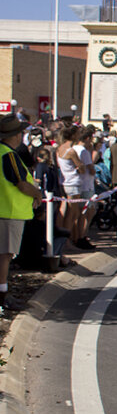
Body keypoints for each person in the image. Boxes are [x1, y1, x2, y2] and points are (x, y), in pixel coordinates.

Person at [0, 114, 43, 315]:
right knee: (5, 256)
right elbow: (21, 184)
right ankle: (3, 296)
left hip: (6, 210)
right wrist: (37, 193)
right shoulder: (8, 155)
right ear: (15, 135)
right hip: (9, 211)